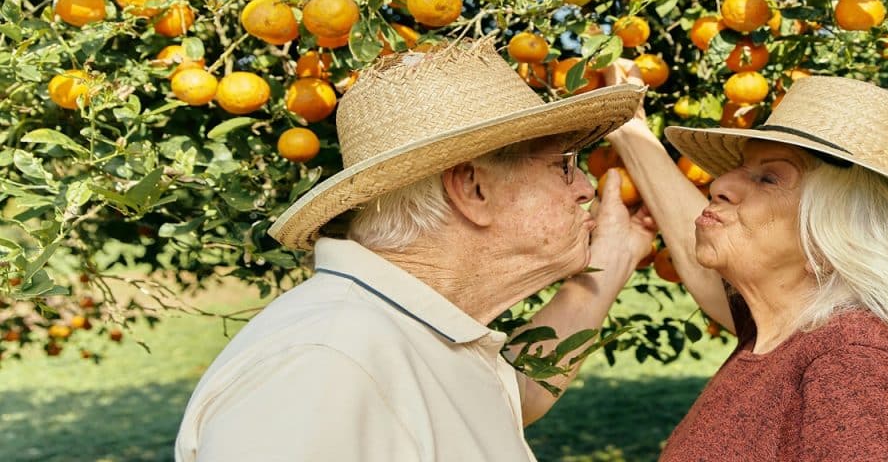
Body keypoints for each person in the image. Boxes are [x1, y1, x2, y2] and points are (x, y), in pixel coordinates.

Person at [175, 39, 656, 461]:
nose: (587, 189)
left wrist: (611, 260)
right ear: (473, 188)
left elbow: (506, 401)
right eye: (564, 166)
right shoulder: (322, 364)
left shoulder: (404, 330)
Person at [603, 64, 888, 461]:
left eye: (768, 179)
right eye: (740, 169)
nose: (719, 185)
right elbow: (699, 253)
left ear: (836, 234)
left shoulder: (854, 365)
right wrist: (628, 129)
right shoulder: (794, 332)